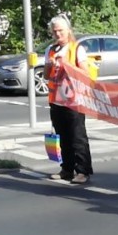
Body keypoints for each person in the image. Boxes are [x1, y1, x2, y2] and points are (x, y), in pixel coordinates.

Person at [45, 14, 93, 184]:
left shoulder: (76, 49)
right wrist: (49, 65)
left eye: (61, 31)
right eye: (55, 31)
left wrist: (67, 64)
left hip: (74, 100)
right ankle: (67, 169)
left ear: (68, 31)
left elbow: (86, 74)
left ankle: (83, 170)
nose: (58, 34)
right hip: (56, 100)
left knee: (77, 136)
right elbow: (46, 76)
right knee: (62, 136)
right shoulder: (51, 50)